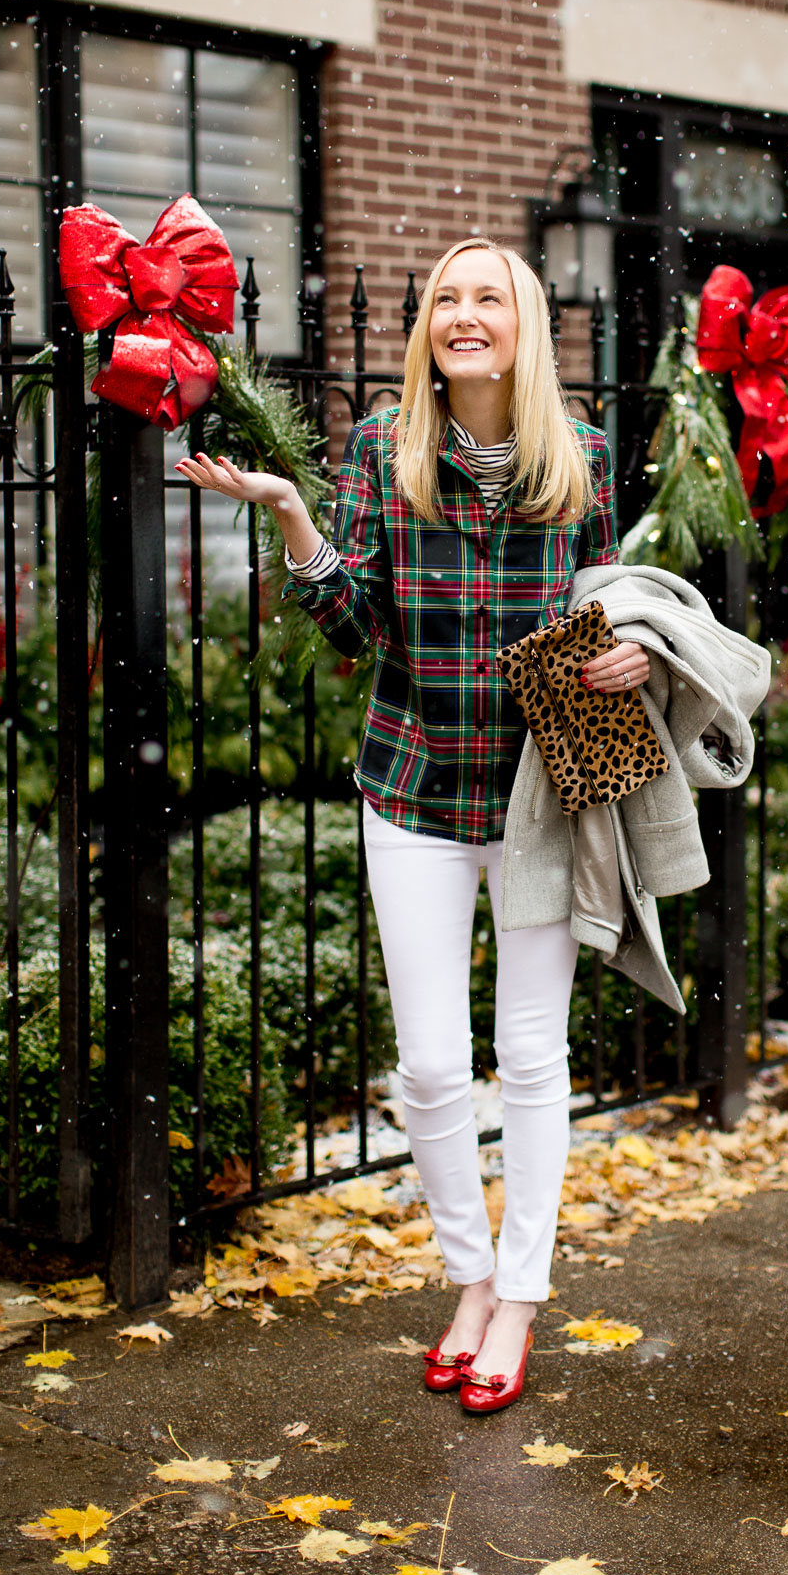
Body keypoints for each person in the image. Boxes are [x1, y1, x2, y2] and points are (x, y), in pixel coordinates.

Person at [175, 237, 648, 1415]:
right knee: (435, 1065)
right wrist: (290, 514)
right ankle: (470, 1276)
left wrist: (636, 649)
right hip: (416, 788)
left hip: (543, 795)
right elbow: (356, 626)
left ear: (523, 324)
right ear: (428, 325)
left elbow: (615, 607)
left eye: (489, 297)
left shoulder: (583, 454)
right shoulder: (386, 452)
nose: (465, 314)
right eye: (449, 297)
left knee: (532, 1059)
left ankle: (522, 1299)